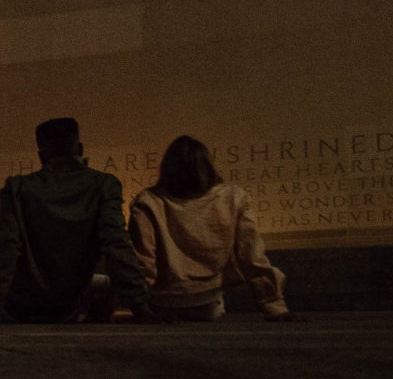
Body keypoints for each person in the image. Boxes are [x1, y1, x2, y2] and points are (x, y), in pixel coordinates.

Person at [0, 117, 155, 323]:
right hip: (68, 302)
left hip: (22, 305)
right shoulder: (104, 185)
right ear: (80, 149)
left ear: (41, 156)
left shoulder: (18, 188)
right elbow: (117, 245)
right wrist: (139, 306)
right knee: (103, 283)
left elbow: (7, 249)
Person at [128, 135, 300, 322]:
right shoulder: (233, 199)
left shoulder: (148, 201)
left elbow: (143, 261)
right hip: (207, 303)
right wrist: (275, 307)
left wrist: (137, 308)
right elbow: (251, 257)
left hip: (162, 303)